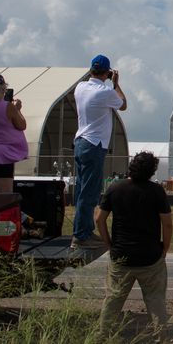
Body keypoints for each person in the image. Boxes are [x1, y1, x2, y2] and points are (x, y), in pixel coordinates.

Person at [97, 151, 173, 338]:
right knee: (156, 301)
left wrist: (109, 244)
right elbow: (167, 223)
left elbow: (99, 219)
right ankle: (161, 337)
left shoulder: (115, 188)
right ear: (152, 171)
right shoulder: (156, 191)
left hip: (121, 255)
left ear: (131, 166)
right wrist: (164, 249)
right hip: (150, 257)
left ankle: (103, 336)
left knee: (113, 300)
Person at [71, 54, 126, 249]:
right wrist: (116, 84)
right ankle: (81, 235)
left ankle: (82, 230)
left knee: (81, 190)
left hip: (80, 141)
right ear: (108, 72)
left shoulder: (80, 87)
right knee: (90, 192)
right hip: (94, 144)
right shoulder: (105, 91)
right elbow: (123, 104)